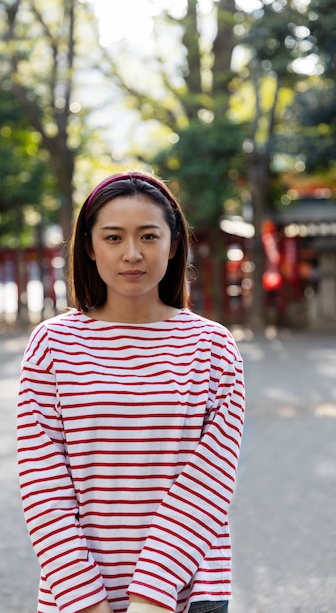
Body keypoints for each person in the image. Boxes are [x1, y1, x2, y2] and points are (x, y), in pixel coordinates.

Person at [17, 171, 245, 613]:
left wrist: (149, 597)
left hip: (188, 590)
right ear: (89, 246)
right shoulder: (52, 345)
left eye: (148, 236)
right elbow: (43, 483)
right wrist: (86, 601)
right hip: (77, 594)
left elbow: (211, 479)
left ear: (174, 243)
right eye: (114, 237)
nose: (132, 254)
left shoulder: (213, 347)